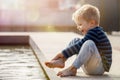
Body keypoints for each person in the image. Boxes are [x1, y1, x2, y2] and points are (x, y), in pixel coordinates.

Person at [45, 4, 112, 77]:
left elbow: (80, 45)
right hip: (90, 67)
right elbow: (79, 45)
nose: (78, 27)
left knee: (88, 43)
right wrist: (64, 55)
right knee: (76, 40)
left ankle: (72, 68)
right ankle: (62, 61)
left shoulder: (96, 31)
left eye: (80, 24)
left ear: (92, 23)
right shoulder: (92, 31)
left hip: (100, 68)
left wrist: (63, 53)